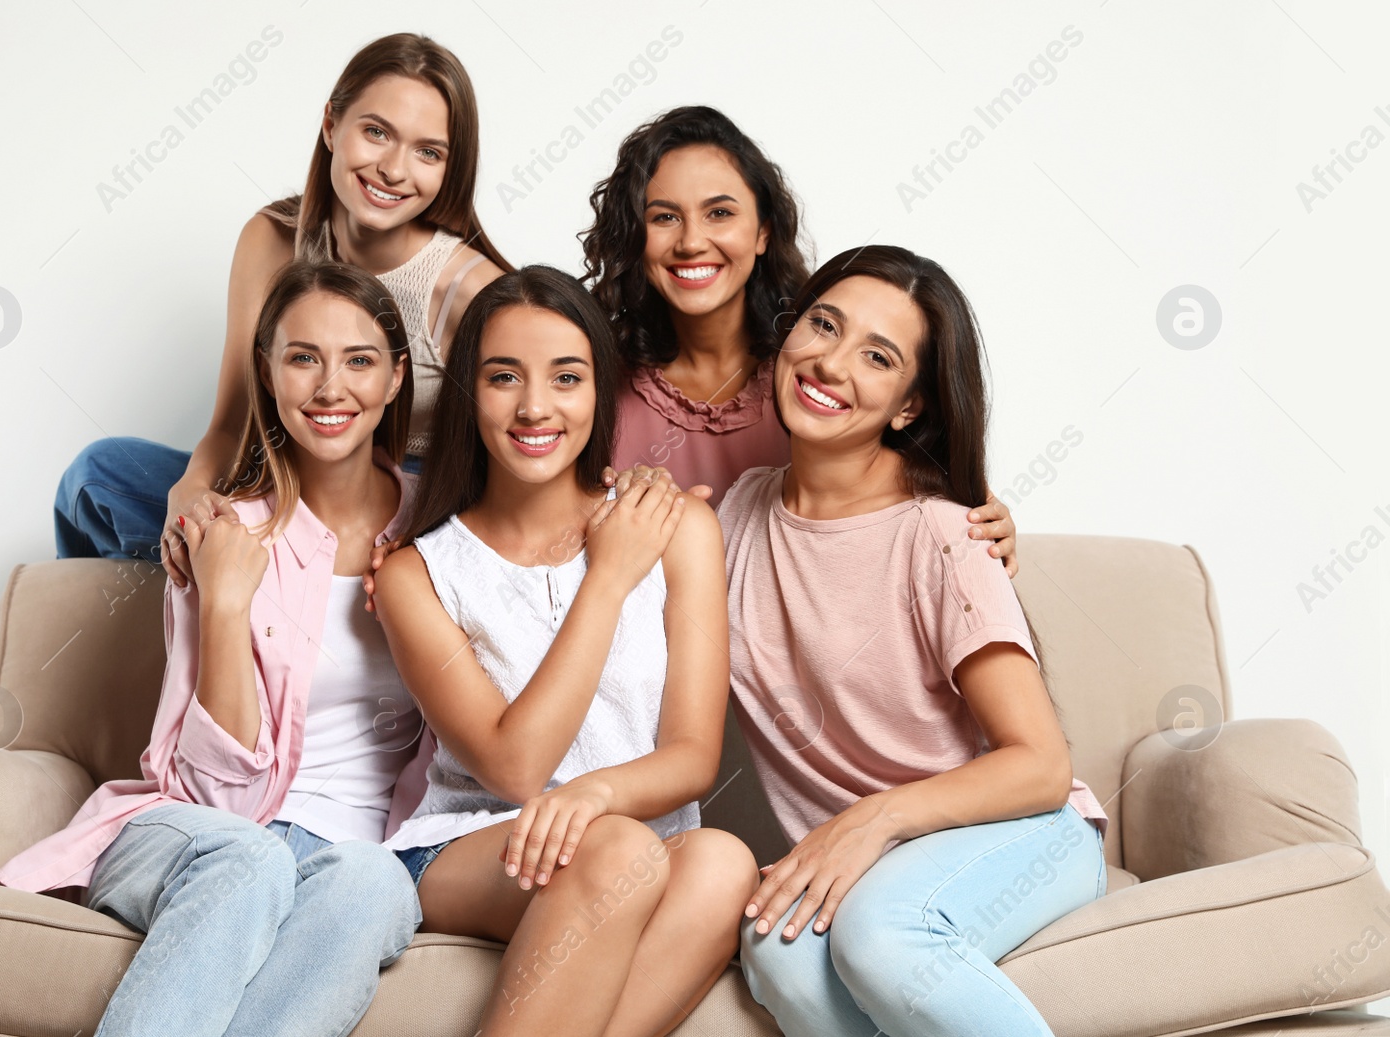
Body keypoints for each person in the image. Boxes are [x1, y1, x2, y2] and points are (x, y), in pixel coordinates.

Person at [0, 261, 428, 1037]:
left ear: (397, 378)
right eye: (303, 358)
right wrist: (224, 602)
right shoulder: (220, 529)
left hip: (356, 848)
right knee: (247, 859)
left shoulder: (442, 534)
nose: (332, 387)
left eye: (359, 360)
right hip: (194, 828)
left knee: (378, 883)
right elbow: (213, 796)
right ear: (267, 373)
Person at [721, 245, 1109, 1037]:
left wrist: (874, 819)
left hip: (1023, 834)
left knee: (883, 936)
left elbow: (1040, 762)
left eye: (877, 356)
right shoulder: (733, 514)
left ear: (906, 407)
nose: (830, 362)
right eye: (822, 324)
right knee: (774, 941)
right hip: (871, 859)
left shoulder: (943, 534)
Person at [371, 266, 759, 1037]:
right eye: (503, 376)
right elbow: (513, 767)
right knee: (614, 850)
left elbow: (691, 756)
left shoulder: (679, 527)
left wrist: (592, 795)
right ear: (468, 394)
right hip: (471, 845)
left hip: (640, 842)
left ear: (599, 391)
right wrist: (608, 577)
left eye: (567, 376)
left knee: (723, 861)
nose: (535, 406)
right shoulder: (418, 573)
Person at [56, 32, 508, 586]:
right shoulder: (272, 239)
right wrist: (193, 491)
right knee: (96, 477)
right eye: (376, 132)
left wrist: (417, 546)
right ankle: (205, 606)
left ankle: (279, 583)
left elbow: (512, 467)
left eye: (427, 152)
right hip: (281, 478)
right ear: (330, 125)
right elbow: (231, 425)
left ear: (449, 168)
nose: (393, 169)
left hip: (403, 505)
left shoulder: (472, 290)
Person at [583, 106, 1021, 570]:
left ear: (763, 231)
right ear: (635, 235)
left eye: (719, 213)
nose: (691, 241)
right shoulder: (591, 380)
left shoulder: (821, 373)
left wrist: (986, 528)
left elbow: (926, 496)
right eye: (665, 217)